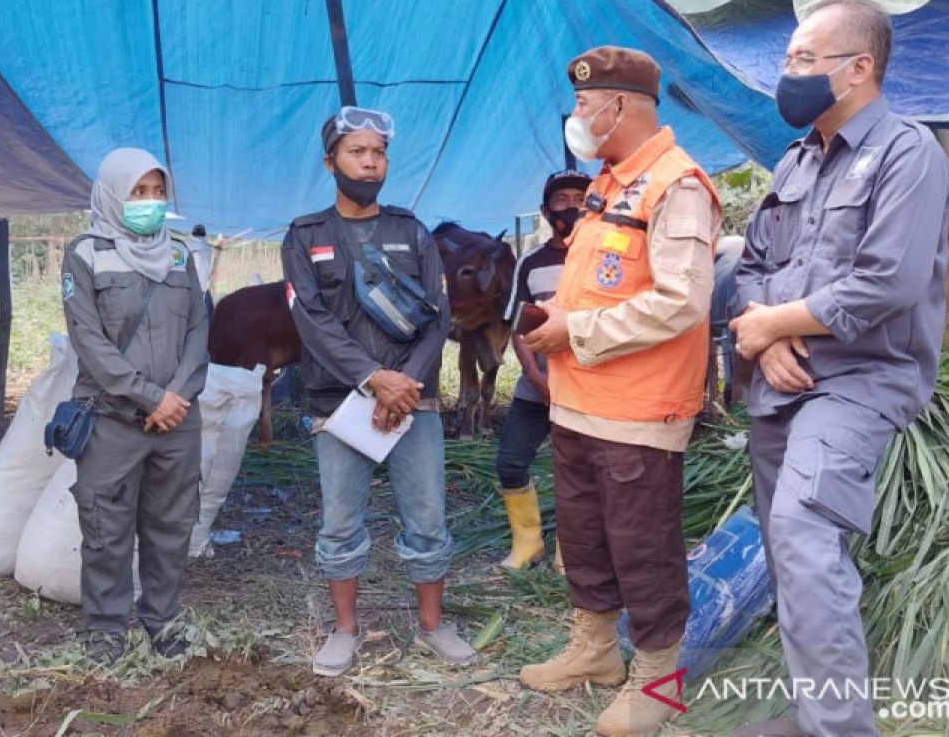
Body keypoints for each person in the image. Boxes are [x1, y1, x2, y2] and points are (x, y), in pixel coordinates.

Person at [727, 0, 949, 737]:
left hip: (861, 380)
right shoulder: (796, 160)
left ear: (858, 69)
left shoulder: (907, 153)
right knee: (785, 546)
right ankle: (811, 711)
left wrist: (775, 324)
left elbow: (887, 281)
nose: (787, 74)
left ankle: (839, 728)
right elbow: (755, 263)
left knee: (800, 529)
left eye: (801, 60)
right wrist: (768, 334)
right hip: (781, 376)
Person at [519, 46, 722, 737]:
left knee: (644, 550)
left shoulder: (678, 184)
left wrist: (575, 331)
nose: (576, 116)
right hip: (579, 404)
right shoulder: (610, 181)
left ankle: (659, 683)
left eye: (583, 105)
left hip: (639, 413)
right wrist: (560, 326)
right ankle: (596, 650)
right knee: (586, 540)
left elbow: (680, 304)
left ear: (620, 106)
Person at [282, 106, 476, 677]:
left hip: (414, 403)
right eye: (357, 152)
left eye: (379, 153)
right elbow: (311, 322)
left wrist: (404, 385)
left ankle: (434, 627)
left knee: (428, 518)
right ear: (330, 162)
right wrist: (374, 379)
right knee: (340, 523)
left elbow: (438, 318)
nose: (370, 163)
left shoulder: (411, 229)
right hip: (339, 404)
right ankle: (345, 631)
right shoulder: (304, 236)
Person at [61, 148, 209, 663]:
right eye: (136, 192)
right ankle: (104, 631)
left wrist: (179, 397)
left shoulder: (179, 254)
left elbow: (198, 328)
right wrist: (151, 397)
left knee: (171, 526)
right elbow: (89, 340)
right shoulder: (85, 252)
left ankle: (163, 621)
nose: (149, 202)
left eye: (156, 191)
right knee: (106, 528)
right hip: (111, 417)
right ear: (110, 195)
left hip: (177, 420)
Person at [494, 169, 589, 570]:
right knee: (511, 462)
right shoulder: (532, 262)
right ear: (545, 210)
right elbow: (520, 325)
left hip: (590, 389)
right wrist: (536, 377)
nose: (571, 206)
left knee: (578, 471)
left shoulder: (605, 257)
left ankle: (571, 553)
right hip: (539, 389)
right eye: (561, 200)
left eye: (579, 199)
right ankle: (528, 545)